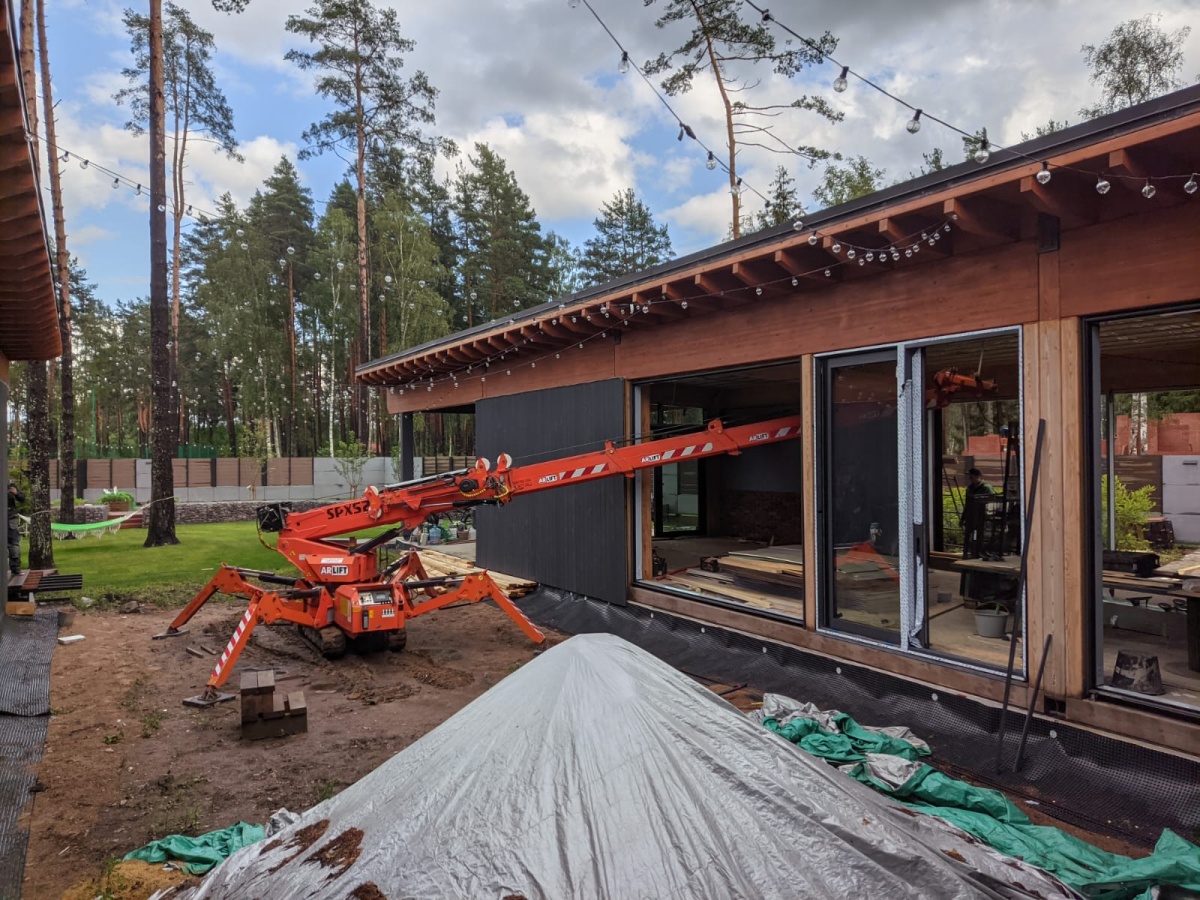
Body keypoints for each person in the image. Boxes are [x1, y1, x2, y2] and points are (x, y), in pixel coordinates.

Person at [7, 482, 24, 577]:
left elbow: (22, 498)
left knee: (13, 544)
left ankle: (15, 568)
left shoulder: (10, 486)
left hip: (10, 519)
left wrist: (16, 493)